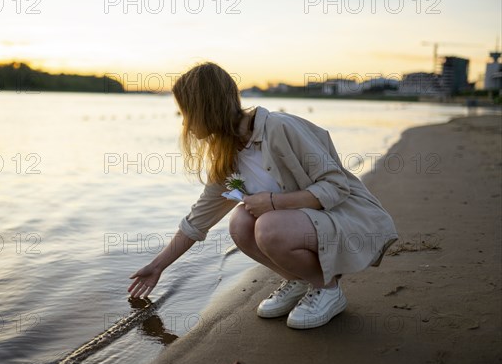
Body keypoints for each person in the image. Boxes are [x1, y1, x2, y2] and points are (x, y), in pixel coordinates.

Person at [127, 62, 398, 329]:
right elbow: (198, 220)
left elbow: (337, 186)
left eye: (185, 112)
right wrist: (157, 266)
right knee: (240, 222)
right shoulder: (227, 154)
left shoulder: (280, 128)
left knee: (268, 225)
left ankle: (327, 289)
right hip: (305, 226)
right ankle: (298, 280)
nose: (184, 121)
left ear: (204, 108)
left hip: (345, 220)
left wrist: (273, 202)